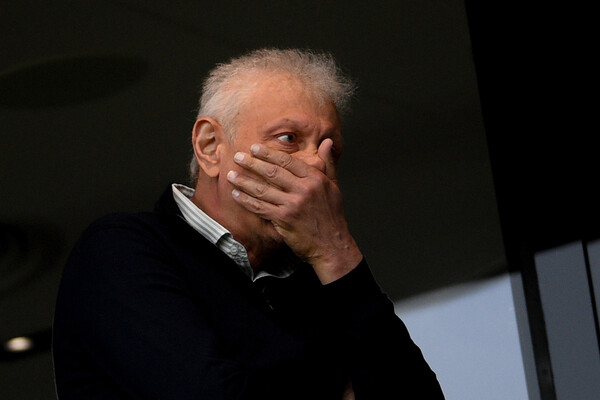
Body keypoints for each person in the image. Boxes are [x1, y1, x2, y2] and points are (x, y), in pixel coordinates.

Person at [52, 48, 444, 399]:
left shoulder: (321, 280)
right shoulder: (122, 250)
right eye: (288, 138)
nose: (316, 165)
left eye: (332, 151)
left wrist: (336, 252)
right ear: (210, 147)